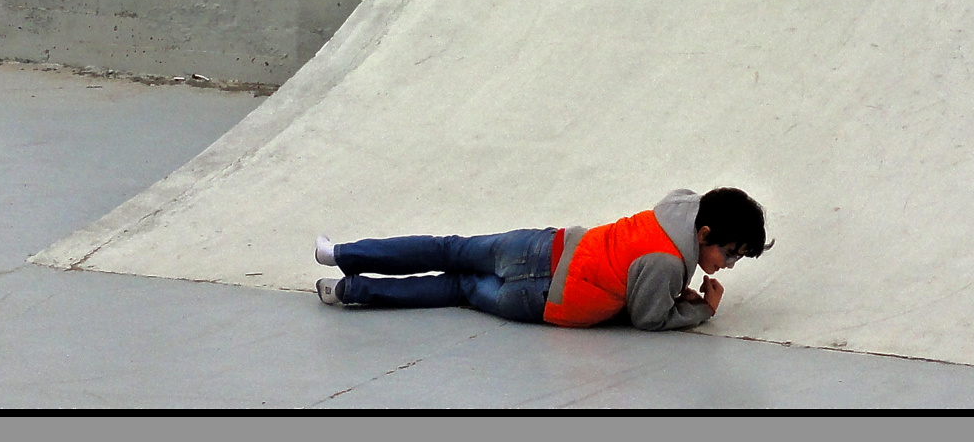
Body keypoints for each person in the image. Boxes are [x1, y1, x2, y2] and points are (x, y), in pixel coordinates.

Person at [312, 188, 771, 330]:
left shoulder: (676, 208)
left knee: (447, 247)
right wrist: (701, 309)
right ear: (705, 234)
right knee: (456, 287)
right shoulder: (669, 264)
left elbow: (639, 267)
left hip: (543, 247)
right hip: (544, 296)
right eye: (727, 253)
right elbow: (651, 318)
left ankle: (339, 254)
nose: (727, 264)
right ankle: (347, 291)